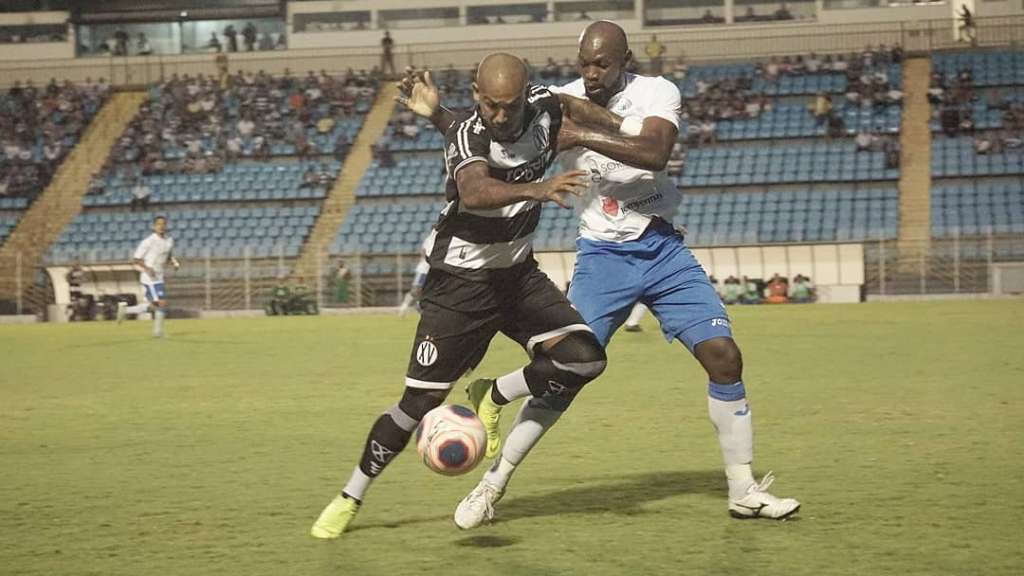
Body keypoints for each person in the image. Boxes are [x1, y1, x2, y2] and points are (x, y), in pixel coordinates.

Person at [401, 21, 799, 527]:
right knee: (565, 379)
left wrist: (581, 132)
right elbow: (488, 130)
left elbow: (656, 151)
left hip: (661, 248)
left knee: (725, 358)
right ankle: (490, 485)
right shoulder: (557, 100)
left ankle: (744, 490)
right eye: (584, 64)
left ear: (624, 59)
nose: (590, 74)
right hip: (602, 256)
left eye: (601, 64)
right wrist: (437, 112)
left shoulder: (657, 92)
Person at [310, 53, 606, 539]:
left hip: (517, 277)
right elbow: (474, 192)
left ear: (526, 96)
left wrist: (624, 123)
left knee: (585, 359)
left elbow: (572, 107)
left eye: (510, 106)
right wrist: (540, 187)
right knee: (417, 404)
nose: (502, 116)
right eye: (491, 106)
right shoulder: (469, 133)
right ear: (476, 97)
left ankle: (492, 393)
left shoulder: (543, 105)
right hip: (459, 286)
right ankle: (350, 496)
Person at [116, 215, 179, 338]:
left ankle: (126, 310)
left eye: (163, 224)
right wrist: (147, 268)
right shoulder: (148, 242)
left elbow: (168, 255)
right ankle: (158, 332)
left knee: (154, 306)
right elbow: (136, 259)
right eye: (158, 224)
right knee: (162, 303)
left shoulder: (169, 240)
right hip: (149, 278)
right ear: (154, 226)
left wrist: (174, 262)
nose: (161, 226)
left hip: (159, 276)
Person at [398, 233, 433, 317]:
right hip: (424, 269)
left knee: (426, 292)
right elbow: (423, 252)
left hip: (430, 270)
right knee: (416, 290)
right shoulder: (429, 240)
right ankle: (404, 307)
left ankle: (420, 310)